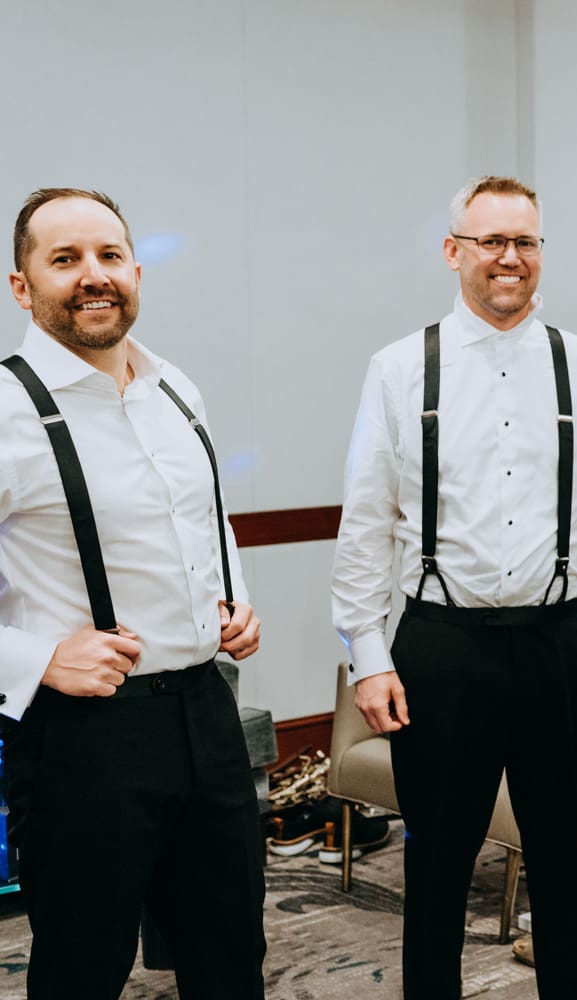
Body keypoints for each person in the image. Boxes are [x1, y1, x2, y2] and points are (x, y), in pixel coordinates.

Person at [331, 175, 577, 1000]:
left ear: (541, 252)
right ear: (454, 252)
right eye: (492, 241)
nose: (510, 257)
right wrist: (368, 654)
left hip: (559, 642)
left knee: (563, 854)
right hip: (442, 647)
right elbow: (366, 521)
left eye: (526, 242)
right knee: (438, 861)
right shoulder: (400, 369)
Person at [1, 188, 264, 999]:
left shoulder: (174, 386)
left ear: (136, 273)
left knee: (231, 955)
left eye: (109, 255)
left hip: (207, 714)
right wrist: (39, 657)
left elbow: (206, 514)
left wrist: (234, 597)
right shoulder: (4, 409)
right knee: (82, 970)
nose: (94, 275)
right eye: (66, 258)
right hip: (85, 741)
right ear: (22, 287)